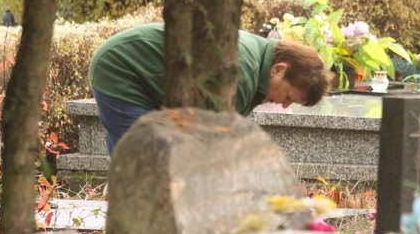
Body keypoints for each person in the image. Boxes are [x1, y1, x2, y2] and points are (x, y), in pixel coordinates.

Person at [89, 23, 331, 154]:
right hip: (124, 69)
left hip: (154, 80)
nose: (283, 104)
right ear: (279, 69)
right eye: (288, 97)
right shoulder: (239, 74)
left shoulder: (258, 66)